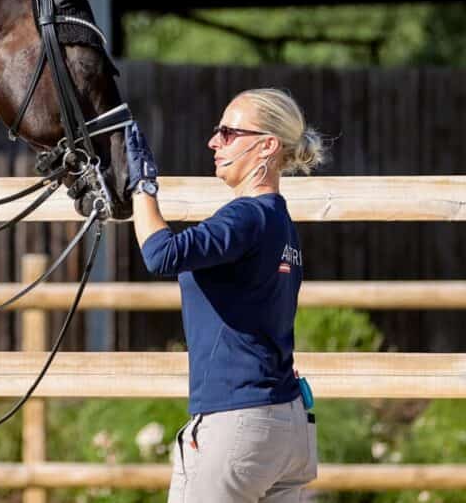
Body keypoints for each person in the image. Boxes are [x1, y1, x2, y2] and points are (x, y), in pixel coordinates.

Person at [125, 88, 326, 502]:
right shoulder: (280, 222)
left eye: (229, 132)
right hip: (286, 427)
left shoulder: (245, 216)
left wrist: (141, 185)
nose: (213, 141)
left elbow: (161, 255)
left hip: (238, 428)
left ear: (267, 146)